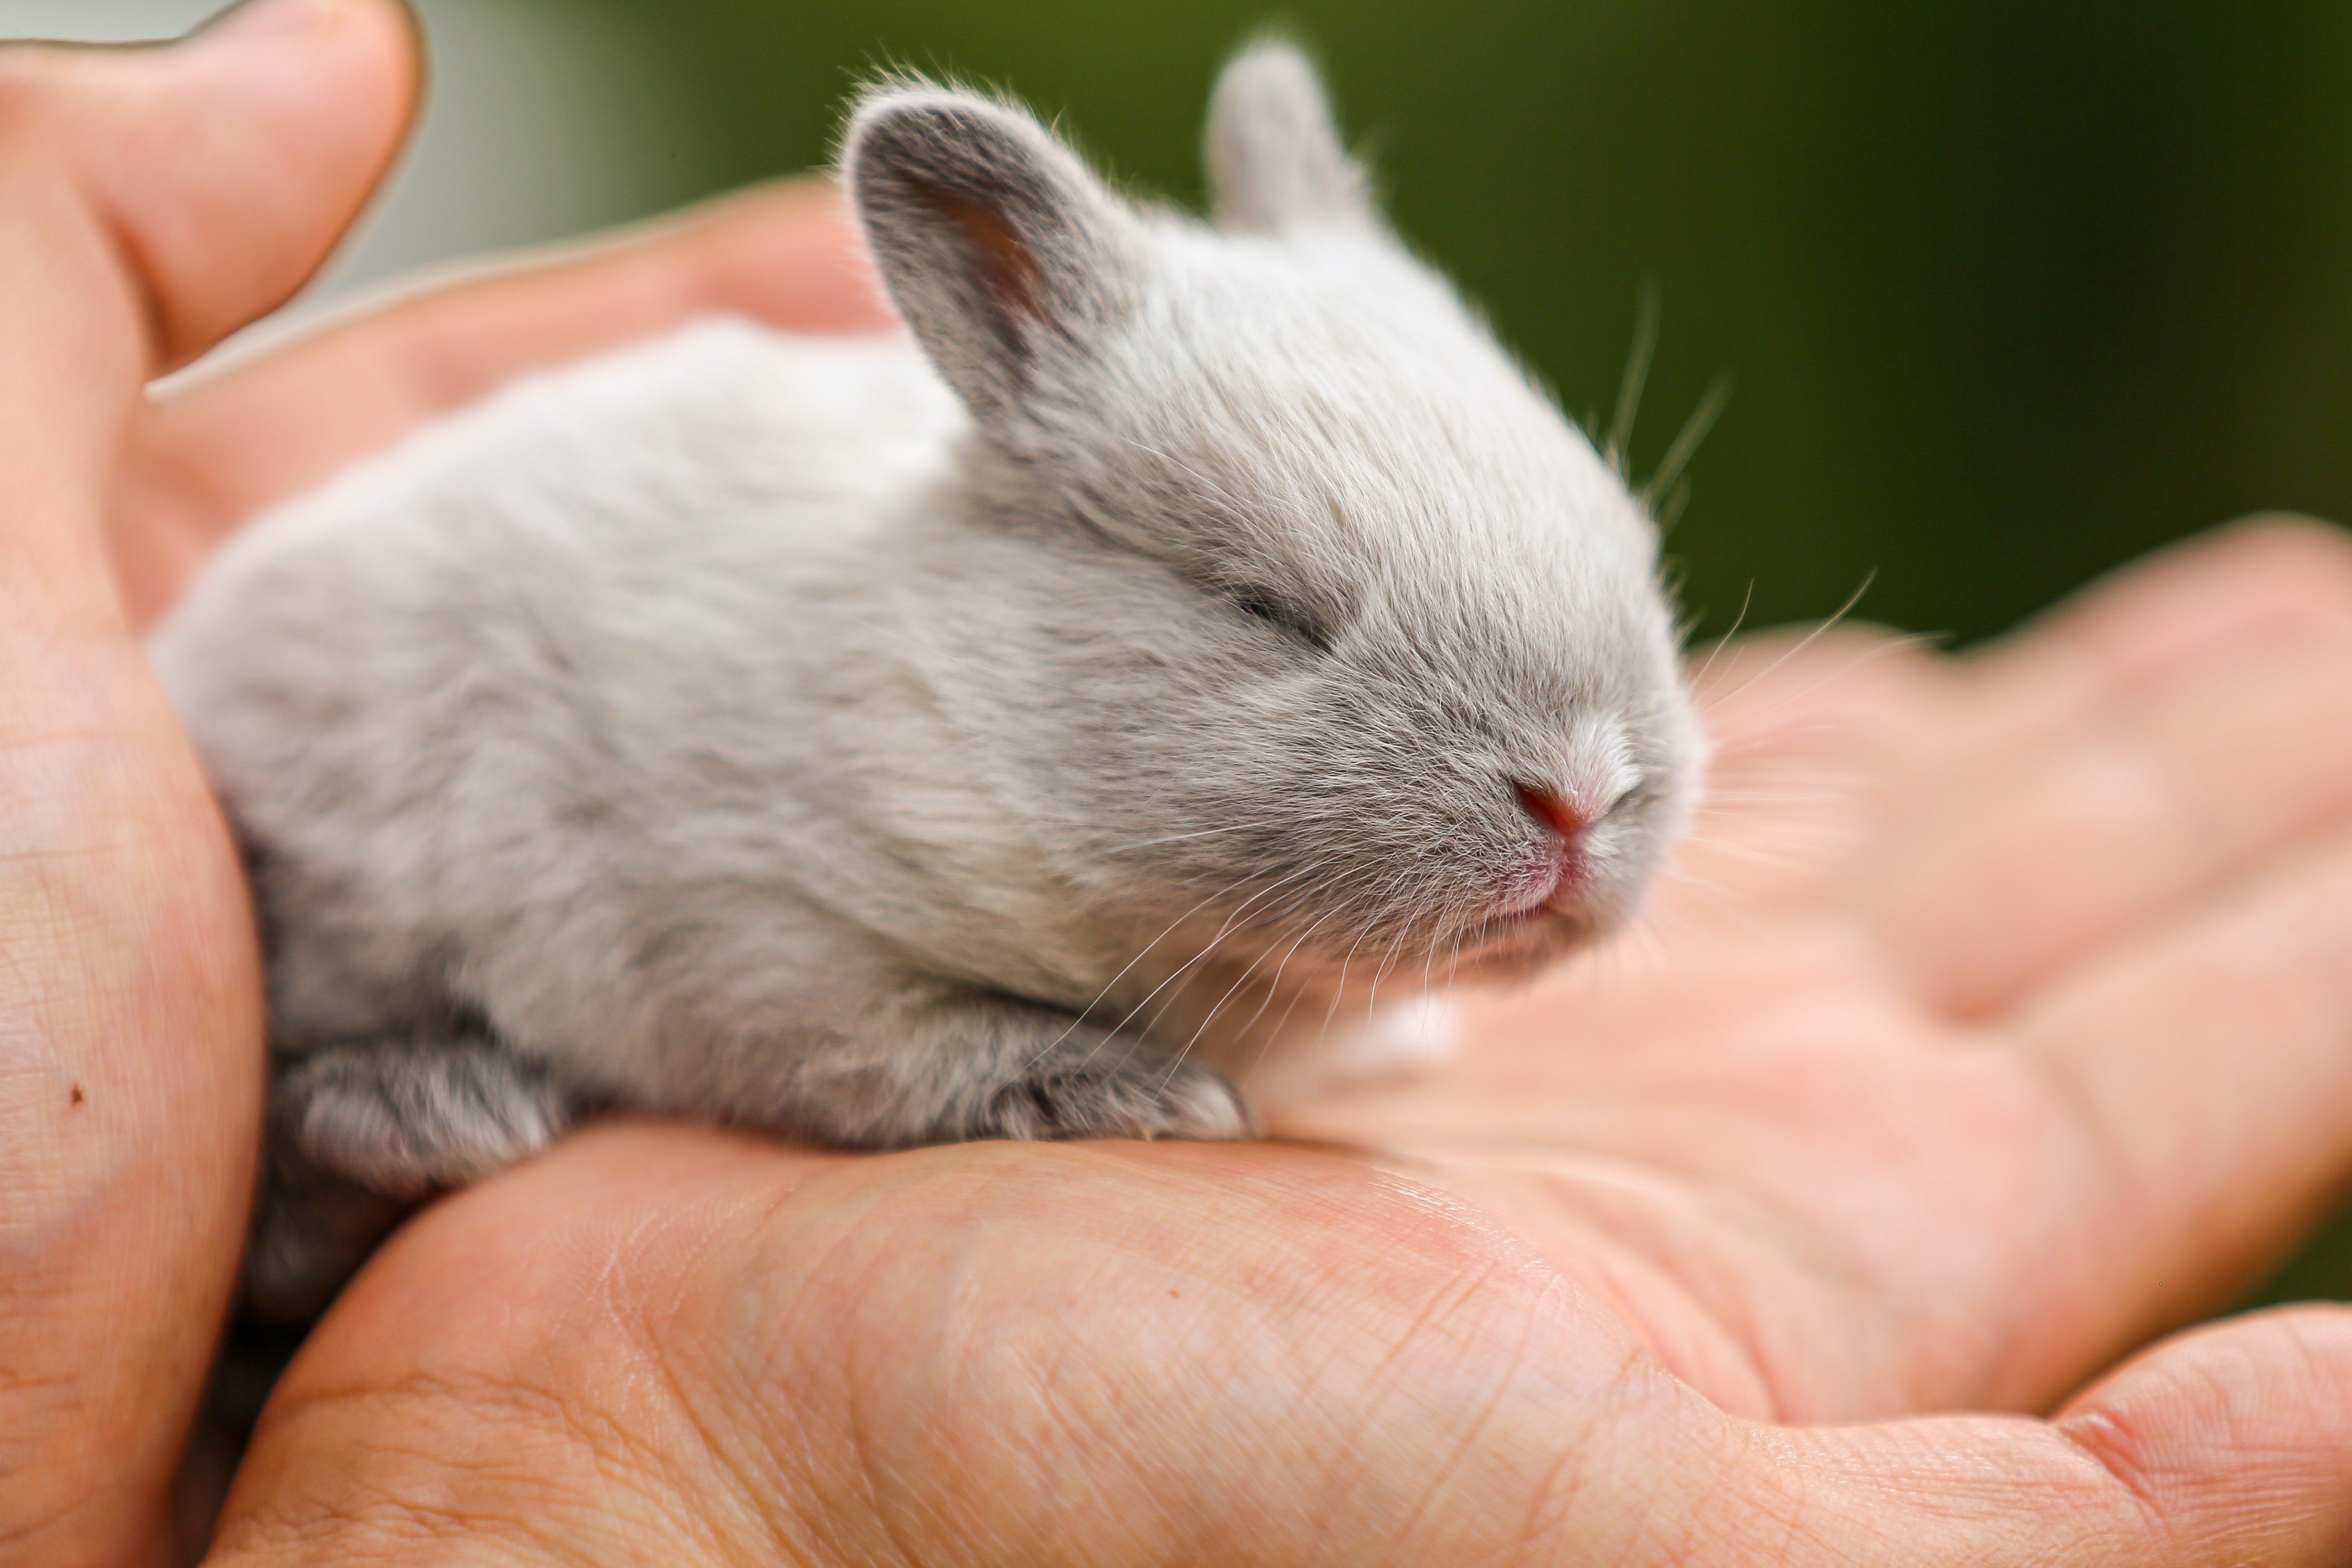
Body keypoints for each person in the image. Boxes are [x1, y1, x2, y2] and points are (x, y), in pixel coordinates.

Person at [8, 2, 2352, 1561]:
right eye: (1282, 624)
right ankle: (305, 1135)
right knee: (398, 845)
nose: (1586, 788)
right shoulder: (823, 707)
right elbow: (711, 919)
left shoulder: (1469, 736)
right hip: (374, 824)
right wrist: (969, 1055)